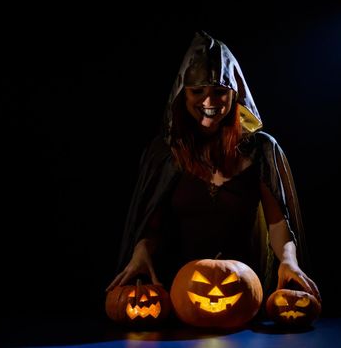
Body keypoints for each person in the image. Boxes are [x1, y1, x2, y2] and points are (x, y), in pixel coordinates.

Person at [106, 31, 321, 304]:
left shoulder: (261, 151)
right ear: (183, 95)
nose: (209, 102)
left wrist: (289, 261)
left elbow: (278, 222)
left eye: (220, 92)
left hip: (242, 288)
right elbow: (151, 223)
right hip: (182, 291)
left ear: (235, 95)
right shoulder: (165, 153)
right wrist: (141, 251)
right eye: (198, 91)